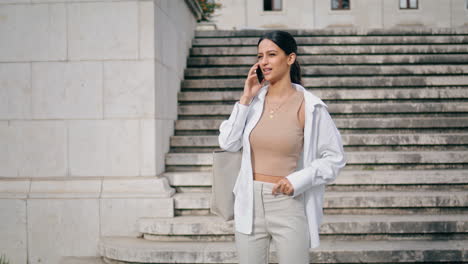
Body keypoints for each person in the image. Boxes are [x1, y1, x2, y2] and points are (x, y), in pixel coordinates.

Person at [218, 30, 346, 264]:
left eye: (271, 54)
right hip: (249, 201)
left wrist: (298, 180)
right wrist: (245, 99)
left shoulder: (311, 106)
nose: (263, 62)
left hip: (287, 201)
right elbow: (228, 142)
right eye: (260, 56)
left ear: (290, 58)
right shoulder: (253, 102)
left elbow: (334, 157)